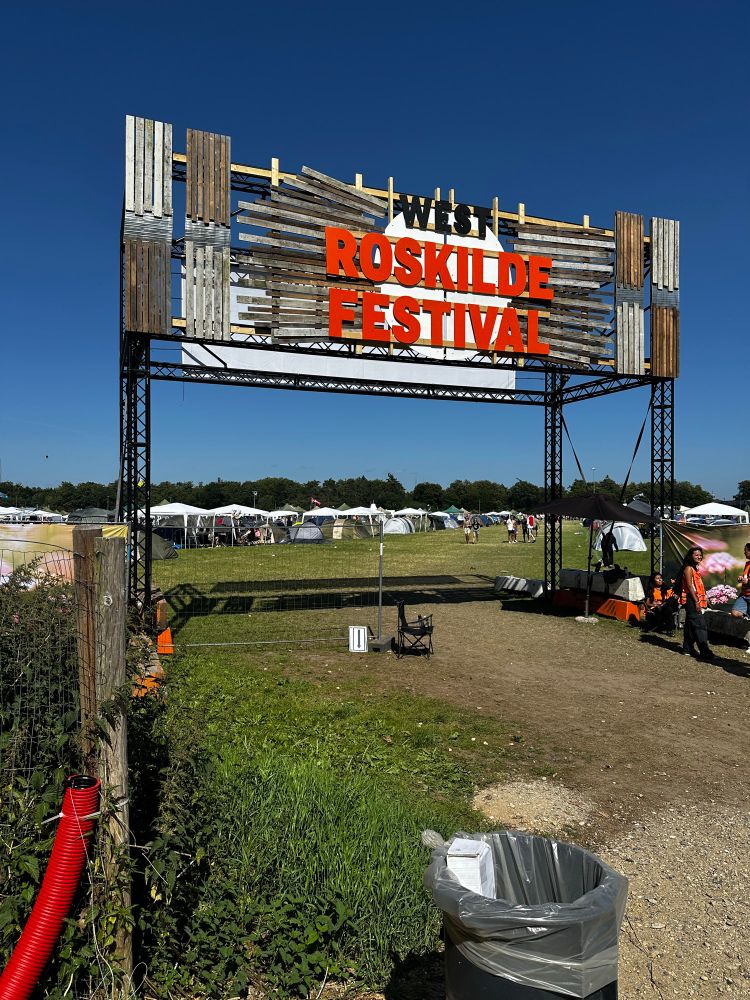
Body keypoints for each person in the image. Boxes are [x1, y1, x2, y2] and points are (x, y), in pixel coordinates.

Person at [678, 546, 714, 660]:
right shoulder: (688, 568)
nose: (699, 556)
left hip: (694, 600)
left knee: (690, 625)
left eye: (700, 555)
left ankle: (687, 648)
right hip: (691, 600)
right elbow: (689, 586)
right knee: (700, 625)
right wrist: (696, 601)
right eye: (696, 555)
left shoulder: (695, 568)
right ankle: (705, 652)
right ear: (691, 556)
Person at [730, 542, 750, 619]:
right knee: (735, 613)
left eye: (746, 550)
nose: (744, 552)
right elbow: (746, 576)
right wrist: (741, 578)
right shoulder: (747, 563)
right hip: (744, 594)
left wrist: (748, 582)